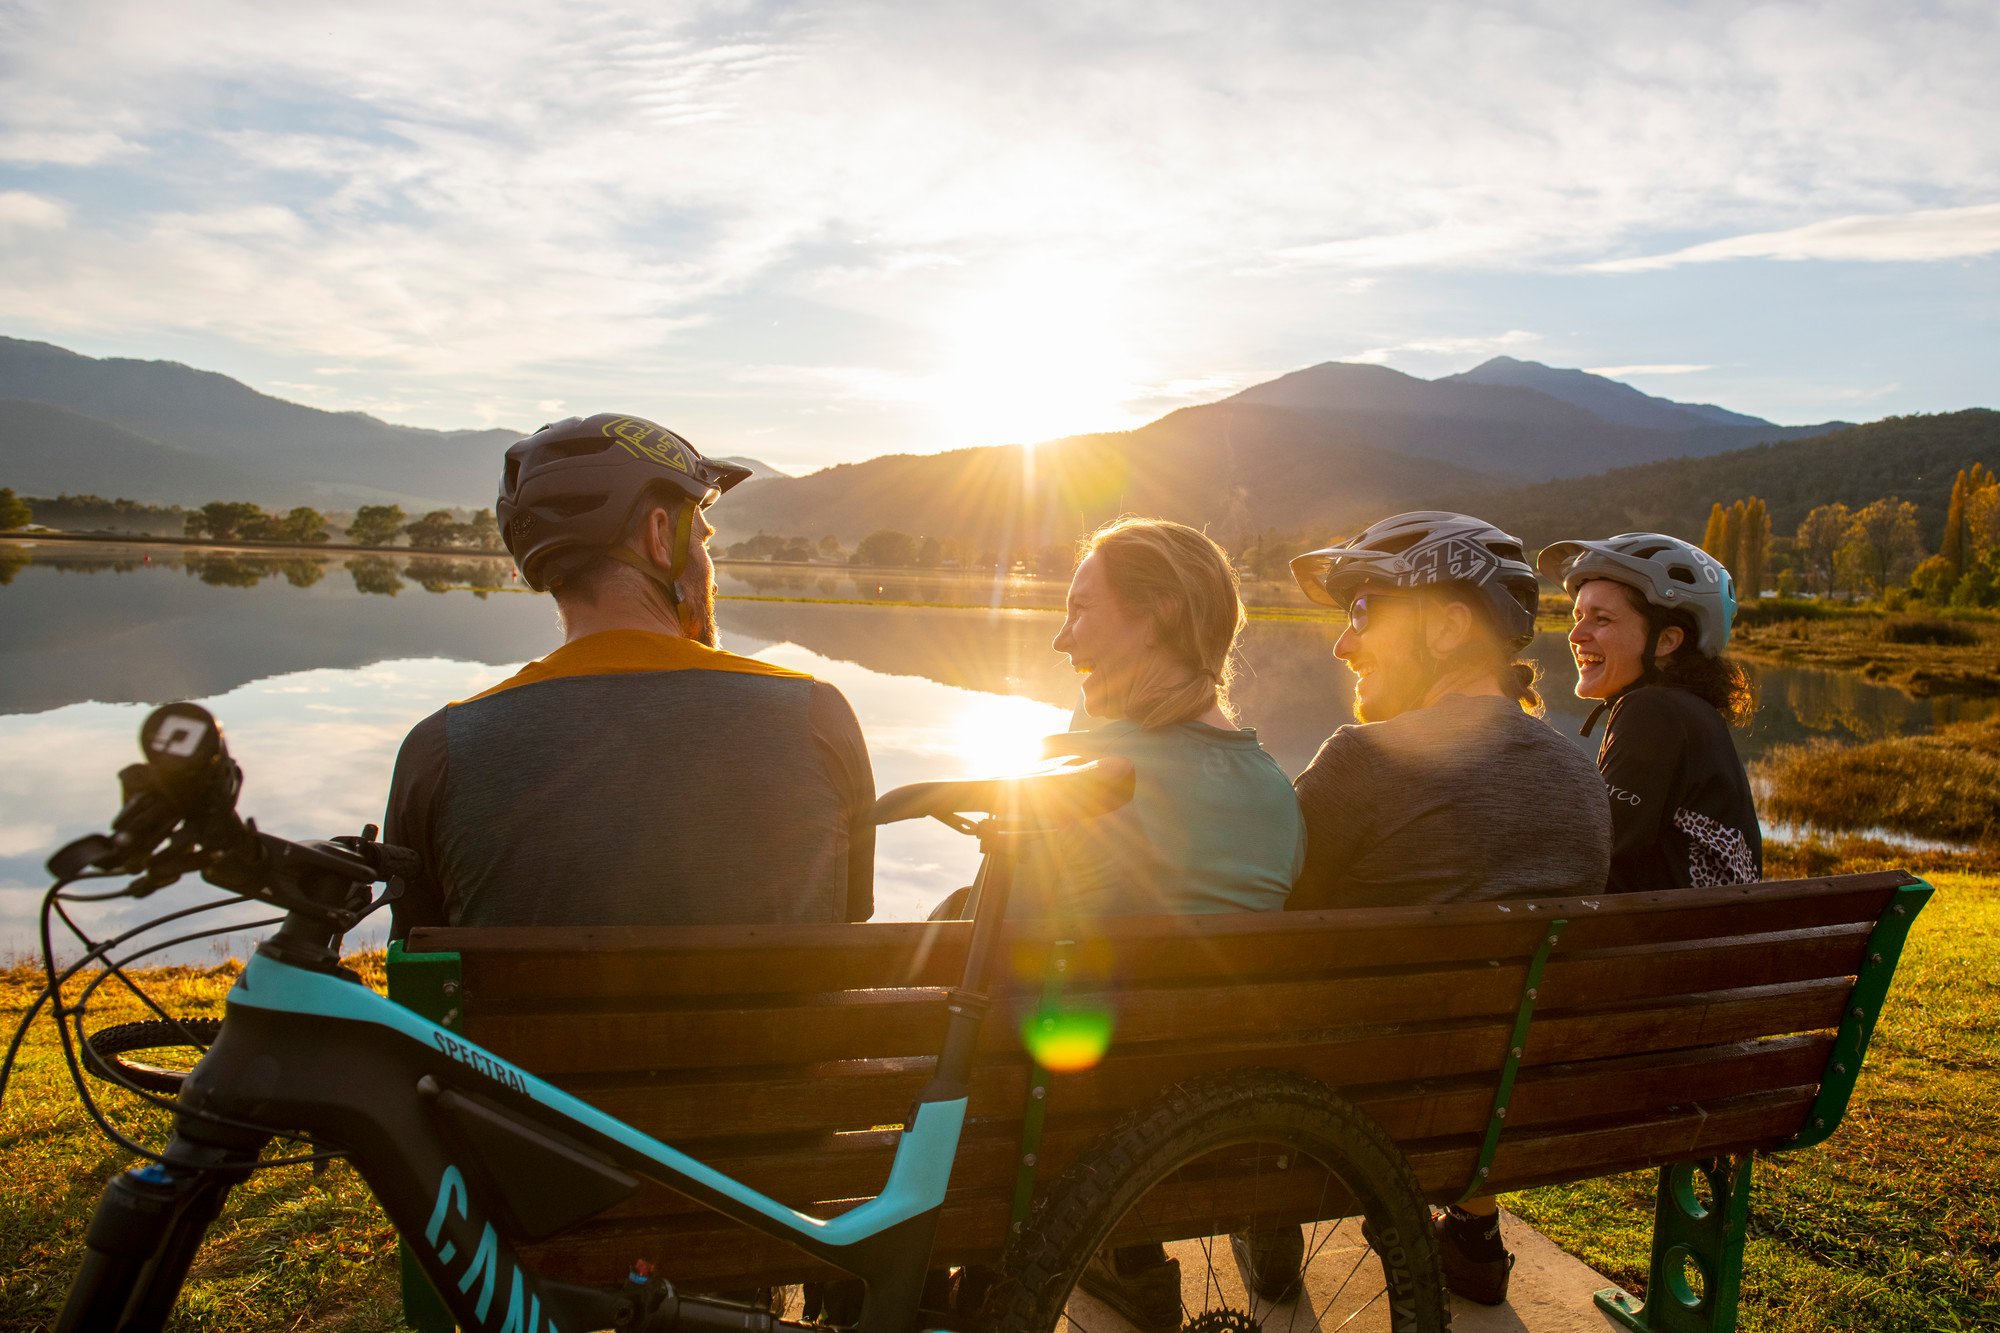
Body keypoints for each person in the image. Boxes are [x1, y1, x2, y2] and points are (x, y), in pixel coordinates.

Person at [1279, 510, 1612, 1308]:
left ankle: (1260, 1218)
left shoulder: (1362, 761)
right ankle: (1472, 1227)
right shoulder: (1584, 783)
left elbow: (1263, 932)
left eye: (1363, 612)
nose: (1343, 644)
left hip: (1346, 1110)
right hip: (1519, 1107)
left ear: (1449, 627)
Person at [383, 413, 875, 939]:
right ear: (659, 535)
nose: (709, 567)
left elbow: (418, 949)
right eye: (703, 540)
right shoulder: (816, 715)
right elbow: (846, 915)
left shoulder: (439, 750)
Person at [1035, 517, 1306, 1330]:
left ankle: (1127, 1257)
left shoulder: (1081, 776)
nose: (1060, 636)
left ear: (1153, 615)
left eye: (1081, 609)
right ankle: (1129, 1252)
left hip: (1069, 1124)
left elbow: (998, 961)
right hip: (1220, 1127)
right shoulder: (1278, 792)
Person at [1536, 532, 1760, 892]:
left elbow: (1595, 854)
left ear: (1667, 641)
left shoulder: (1653, 711)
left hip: (1670, 944)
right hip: (1708, 938)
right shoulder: (1690, 712)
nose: (1576, 634)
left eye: (1602, 619)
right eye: (1577, 616)